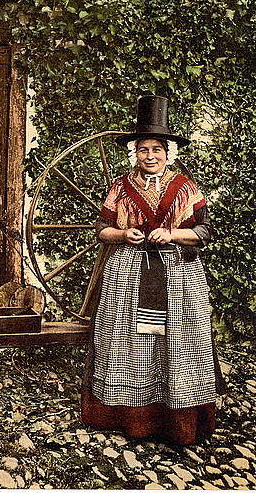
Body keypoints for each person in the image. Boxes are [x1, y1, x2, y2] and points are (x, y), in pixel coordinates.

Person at [82, 95, 225, 445]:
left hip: (177, 274)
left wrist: (173, 233)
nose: (150, 157)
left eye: (156, 150)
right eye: (143, 150)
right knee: (128, 341)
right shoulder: (120, 186)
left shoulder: (185, 188)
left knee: (177, 340)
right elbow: (101, 228)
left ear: (168, 153)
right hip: (128, 273)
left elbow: (204, 232)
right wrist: (122, 233)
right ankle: (131, 418)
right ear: (135, 153)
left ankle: (177, 419)